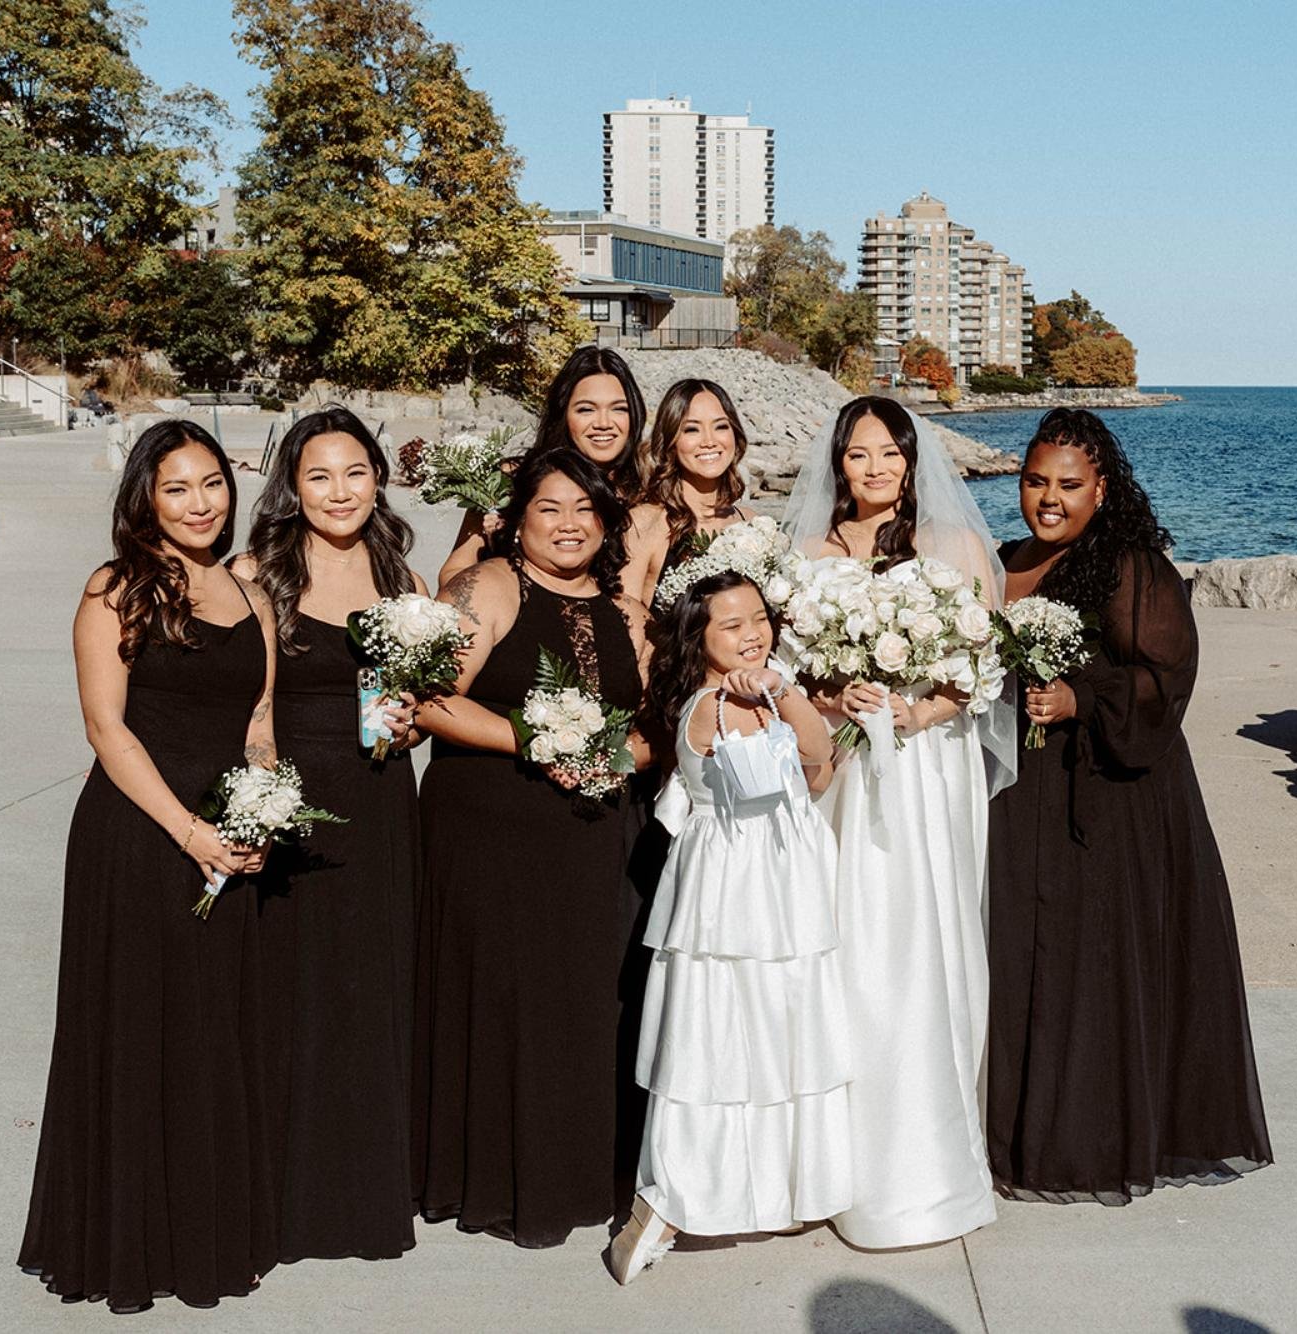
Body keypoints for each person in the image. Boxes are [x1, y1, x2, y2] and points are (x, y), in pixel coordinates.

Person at [19, 420, 280, 1312]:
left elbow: (258, 724)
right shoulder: (116, 590)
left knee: (211, 1036)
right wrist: (189, 831)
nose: (201, 503)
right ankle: (130, 1245)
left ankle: (207, 1236)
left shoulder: (250, 591)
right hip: (137, 839)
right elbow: (106, 729)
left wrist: (262, 811)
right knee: (137, 1036)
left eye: (211, 483)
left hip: (224, 840)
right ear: (145, 498)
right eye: (178, 489)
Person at [987, 407, 1272, 1204]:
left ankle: (1080, 1145)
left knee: (1090, 969)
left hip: (1108, 797)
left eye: (1069, 485)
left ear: (1103, 489)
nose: (1049, 499)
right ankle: (1008, 1134)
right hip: (1016, 793)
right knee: (1018, 960)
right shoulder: (1002, 560)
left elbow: (1164, 681)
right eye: (1035, 480)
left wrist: (1080, 696)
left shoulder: (1132, 568)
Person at [781, 396, 1013, 1249]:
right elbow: (785, 667)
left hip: (925, 770)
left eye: (890, 453)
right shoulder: (806, 553)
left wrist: (927, 711)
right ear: (837, 463)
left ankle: (927, 1168)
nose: (874, 469)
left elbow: (987, 666)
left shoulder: (953, 547)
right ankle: (841, 1165)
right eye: (858, 455)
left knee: (922, 941)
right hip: (844, 768)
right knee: (848, 945)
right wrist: (834, 697)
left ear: (913, 461)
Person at [413, 448, 652, 1248]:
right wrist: (534, 741)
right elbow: (426, 699)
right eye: (550, 508)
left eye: (586, 510)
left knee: (579, 1003)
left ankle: (574, 1175)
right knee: (504, 998)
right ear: (518, 518)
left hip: (589, 836)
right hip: (488, 828)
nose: (569, 525)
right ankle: (487, 1180)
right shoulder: (488, 587)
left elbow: (653, 725)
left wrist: (610, 757)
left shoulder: (628, 610)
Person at [608, 570, 852, 1284]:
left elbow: (819, 770)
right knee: (716, 1036)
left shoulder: (771, 693)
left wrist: (787, 692)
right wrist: (761, 694)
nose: (751, 635)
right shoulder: (709, 704)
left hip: (788, 878)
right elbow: (756, 777)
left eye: (758, 619)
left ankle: (775, 1183)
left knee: (782, 1029)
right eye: (730, 626)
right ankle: (668, 1200)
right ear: (701, 641)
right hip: (733, 885)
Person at [232, 406, 422, 1264]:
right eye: (319, 476)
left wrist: (413, 718)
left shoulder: (400, 575)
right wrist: (264, 800)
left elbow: (415, 696)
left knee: (370, 996)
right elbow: (250, 709)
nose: (340, 492)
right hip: (297, 809)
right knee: (293, 998)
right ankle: (289, 1196)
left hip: (383, 803)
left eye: (355, 474)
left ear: (378, 479)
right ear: (292, 487)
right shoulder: (256, 575)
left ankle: (366, 1191)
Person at [435, 346, 646, 588]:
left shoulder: (646, 492)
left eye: (619, 409)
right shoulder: (511, 480)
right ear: (563, 413)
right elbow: (452, 575)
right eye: (586, 409)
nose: (604, 423)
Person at [622, 377, 757, 604]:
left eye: (721, 426)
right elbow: (625, 618)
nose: (709, 441)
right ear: (671, 442)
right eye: (692, 429)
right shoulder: (643, 523)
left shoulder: (752, 523)